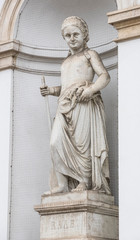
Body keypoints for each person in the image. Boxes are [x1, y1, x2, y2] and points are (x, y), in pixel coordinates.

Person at [40, 16, 111, 195]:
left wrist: (92, 89)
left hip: (83, 102)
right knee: (56, 141)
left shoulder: (90, 54)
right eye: (68, 35)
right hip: (64, 105)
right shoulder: (65, 61)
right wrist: (51, 90)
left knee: (82, 144)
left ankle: (84, 181)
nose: (72, 38)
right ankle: (62, 184)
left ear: (84, 35)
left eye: (75, 34)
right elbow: (65, 87)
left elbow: (104, 76)